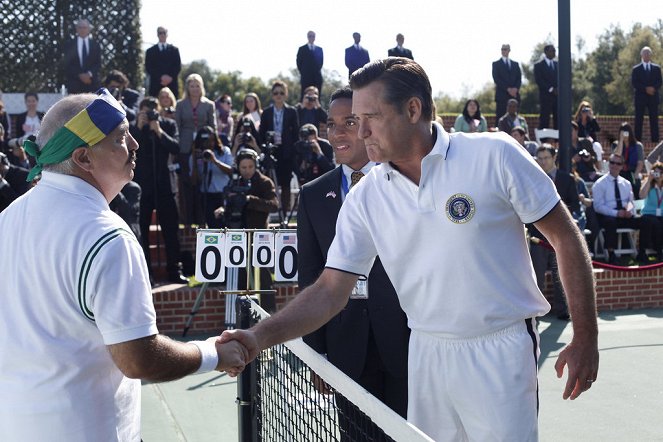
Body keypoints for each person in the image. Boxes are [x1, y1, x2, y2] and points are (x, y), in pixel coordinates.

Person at [220, 58, 599, 441]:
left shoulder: (494, 154)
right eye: (356, 118)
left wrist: (585, 335)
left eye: (371, 116)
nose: (360, 130)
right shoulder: (365, 197)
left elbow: (565, 237)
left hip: (500, 352)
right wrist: (257, 337)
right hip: (425, 354)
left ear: (413, 109)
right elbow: (329, 291)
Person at [0, 89, 246, 440]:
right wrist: (213, 354)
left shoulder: (7, 218)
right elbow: (138, 359)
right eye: (120, 138)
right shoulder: (107, 235)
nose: (135, 145)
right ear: (83, 157)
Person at [298, 87, 410, 429]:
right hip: (347, 349)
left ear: (368, 126)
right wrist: (317, 355)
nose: (338, 133)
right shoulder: (313, 195)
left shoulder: (406, 181)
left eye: (349, 121)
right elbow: (310, 276)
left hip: (408, 344)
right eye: (331, 125)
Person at [131, 96, 187, 284]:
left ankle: (174, 270)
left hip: (164, 185)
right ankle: (146, 273)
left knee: (171, 230)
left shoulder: (168, 125)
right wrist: (139, 128)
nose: (150, 114)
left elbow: (176, 147)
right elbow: (128, 150)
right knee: (142, 232)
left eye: (153, 110)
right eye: (146, 111)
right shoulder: (133, 128)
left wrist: (159, 131)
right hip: (142, 187)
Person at [528, 144, 580, 320]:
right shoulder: (531, 179)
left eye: (546, 158)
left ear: (554, 157)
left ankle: (562, 309)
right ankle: (537, 311)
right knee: (537, 273)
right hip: (537, 234)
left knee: (561, 273)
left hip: (560, 234)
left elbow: (574, 204)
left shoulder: (567, 179)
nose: (543, 162)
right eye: (540, 158)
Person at [225, 149, 279, 310]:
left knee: (263, 278)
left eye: (250, 166)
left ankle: (268, 313)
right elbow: (229, 202)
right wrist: (224, 208)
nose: (247, 171)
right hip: (239, 235)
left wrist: (250, 200)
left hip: (260, 236)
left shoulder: (264, 182)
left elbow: (274, 206)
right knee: (241, 277)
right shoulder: (234, 182)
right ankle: (243, 314)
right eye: (243, 167)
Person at [592, 153, 653, 264]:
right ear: (609, 164)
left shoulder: (626, 183)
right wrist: (616, 213)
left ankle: (642, 252)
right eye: (612, 162)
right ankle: (611, 255)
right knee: (610, 222)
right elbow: (598, 206)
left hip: (625, 215)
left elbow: (631, 202)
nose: (615, 165)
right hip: (609, 216)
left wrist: (630, 210)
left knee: (646, 220)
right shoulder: (599, 183)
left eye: (618, 163)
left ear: (622, 166)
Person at [175, 73, 217, 224]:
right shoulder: (180, 104)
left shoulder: (208, 104)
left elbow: (213, 127)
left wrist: (213, 145)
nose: (194, 89)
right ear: (187, 88)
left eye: (197, 86)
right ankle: (187, 219)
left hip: (203, 145)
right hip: (185, 146)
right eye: (191, 86)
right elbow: (177, 126)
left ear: (201, 87)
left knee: (202, 181)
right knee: (187, 182)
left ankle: (201, 218)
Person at [259, 81, 299, 216]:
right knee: (270, 182)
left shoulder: (291, 111)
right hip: (271, 151)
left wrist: (293, 151)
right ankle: (271, 210)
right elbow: (261, 133)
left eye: (281, 93)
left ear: (286, 94)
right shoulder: (266, 112)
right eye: (276, 93)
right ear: (272, 95)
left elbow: (296, 134)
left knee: (286, 184)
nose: (279, 95)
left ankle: (285, 215)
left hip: (286, 152)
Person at [190, 126, 233, 228]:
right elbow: (194, 181)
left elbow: (231, 172)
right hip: (207, 196)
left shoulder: (224, 151)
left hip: (223, 194)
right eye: (205, 142)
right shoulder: (196, 155)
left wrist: (214, 161)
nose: (208, 145)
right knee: (212, 226)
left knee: (225, 225)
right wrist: (196, 162)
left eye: (210, 141)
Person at [631, 46, 662, 142]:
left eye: (648, 53)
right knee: (639, 120)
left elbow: (660, 81)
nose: (647, 55)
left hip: (653, 97)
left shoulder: (656, 68)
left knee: (654, 120)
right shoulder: (636, 69)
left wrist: (653, 88)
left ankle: (655, 141)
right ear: (641, 55)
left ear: (650, 55)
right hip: (640, 98)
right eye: (645, 53)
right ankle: (637, 141)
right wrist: (645, 89)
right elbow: (634, 83)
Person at [63, 18, 101, 94]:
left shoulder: (95, 45)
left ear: (89, 29)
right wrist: (80, 75)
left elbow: (98, 63)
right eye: (80, 27)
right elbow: (67, 64)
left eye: (84, 27)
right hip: (74, 86)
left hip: (91, 84)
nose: (82, 30)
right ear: (76, 29)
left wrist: (89, 74)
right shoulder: (69, 45)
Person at [8, 92, 44, 168]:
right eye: (29, 101)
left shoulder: (43, 116)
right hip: (25, 147)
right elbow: (18, 134)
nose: (31, 103)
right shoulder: (20, 117)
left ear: (37, 102)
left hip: (40, 146)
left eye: (33, 101)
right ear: (25, 102)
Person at [145, 26, 182, 98]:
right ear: (157, 35)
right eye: (160, 33)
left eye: (164, 33)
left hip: (172, 86)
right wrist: (160, 78)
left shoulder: (174, 50)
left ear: (167, 34)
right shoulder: (150, 51)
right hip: (155, 87)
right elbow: (148, 68)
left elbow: (177, 67)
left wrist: (169, 78)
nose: (162, 35)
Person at [638, 161, 663, 259]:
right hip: (649, 214)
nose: (658, 175)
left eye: (660, 173)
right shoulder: (649, 184)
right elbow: (641, 195)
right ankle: (643, 251)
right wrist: (649, 180)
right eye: (656, 172)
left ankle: (659, 251)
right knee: (650, 221)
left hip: (661, 215)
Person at [611, 122, 644, 195]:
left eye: (626, 132)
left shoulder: (638, 146)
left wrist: (636, 173)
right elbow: (617, 155)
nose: (625, 135)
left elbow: (640, 162)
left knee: (636, 183)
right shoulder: (615, 144)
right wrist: (621, 141)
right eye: (622, 133)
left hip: (632, 171)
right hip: (619, 171)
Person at [492, 44, 522, 122]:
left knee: (515, 119)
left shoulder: (515, 64)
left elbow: (519, 78)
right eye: (502, 49)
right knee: (500, 118)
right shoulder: (496, 64)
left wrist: (515, 89)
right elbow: (496, 79)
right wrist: (508, 89)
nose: (503, 51)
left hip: (514, 96)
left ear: (509, 50)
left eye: (505, 49)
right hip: (502, 96)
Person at [534, 44, 559, 129]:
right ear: (546, 52)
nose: (554, 52)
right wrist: (551, 89)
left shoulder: (557, 64)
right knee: (544, 119)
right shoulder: (538, 65)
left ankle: (558, 140)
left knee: (558, 119)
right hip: (545, 97)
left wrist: (558, 89)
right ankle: (543, 140)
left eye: (555, 51)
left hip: (557, 97)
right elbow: (539, 80)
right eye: (552, 51)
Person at [296, 30, 324, 101]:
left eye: (313, 36)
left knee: (317, 98)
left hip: (316, 78)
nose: (311, 37)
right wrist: (304, 72)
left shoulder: (319, 49)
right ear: (307, 37)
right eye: (310, 36)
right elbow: (299, 63)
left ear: (315, 37)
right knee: (304, 97)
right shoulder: (302, 49)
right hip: (306, 78)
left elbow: (321, 62)